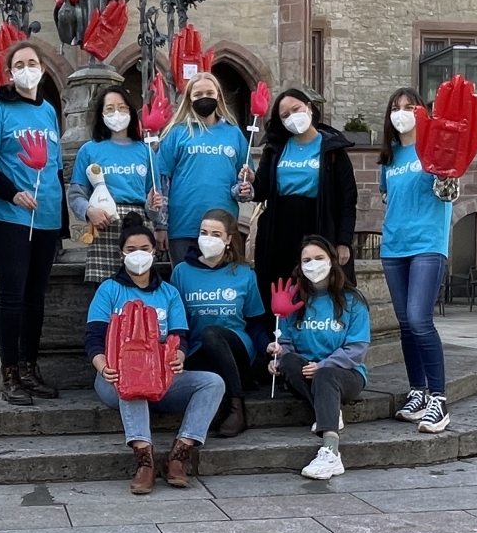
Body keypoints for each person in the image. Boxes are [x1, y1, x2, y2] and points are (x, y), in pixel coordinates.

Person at [85, 212, 225, 495]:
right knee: (132, 383)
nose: (139, 255)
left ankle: (179, 455)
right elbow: (93, 338)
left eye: (145, 249)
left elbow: (180, 337)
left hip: (161, 375)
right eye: (131, 250)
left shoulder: (169, 293)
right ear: (121, 254)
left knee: (213, 382)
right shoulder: (109, 290)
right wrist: (102, 366)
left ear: (155, 251)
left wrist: (180, 357)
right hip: (115, 376)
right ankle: (144, 461)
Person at [0, 41, 65, 406]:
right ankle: (10, 372)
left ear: (42, 69)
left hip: (45, 217)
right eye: (19, 64)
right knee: (12, 295)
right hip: (10, 216)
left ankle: (30, 367)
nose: (27, 69)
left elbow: (56, 169)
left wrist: (62, 226)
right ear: (10, 73)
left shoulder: (48, 111)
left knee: (36, 297)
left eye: (33, 62)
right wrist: (12, 193)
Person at [378, 86, 453, 434]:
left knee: (419, 319)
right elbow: (388, 198)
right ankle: (418, 392)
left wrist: (446, 173)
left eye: (410, 106)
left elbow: (448, 192)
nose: (402, 112)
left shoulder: (435, 149)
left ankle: (439, 399)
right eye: (396, 107)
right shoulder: (390, 156)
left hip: (427, 243)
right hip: (394, 246)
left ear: (423, 112)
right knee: (405, 325)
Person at [268, 236, 370, 480]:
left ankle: (331, 451)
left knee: (326, 375)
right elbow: (287, 342)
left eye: (319, 258)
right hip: (306, 370)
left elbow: (357, 349)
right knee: (289, 362)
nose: (313, 264)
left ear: (332, 261)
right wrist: (278, 354)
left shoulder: (352, 300)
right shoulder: (296, 301)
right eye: (307, 260)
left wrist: (324, 365)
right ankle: (329, 409)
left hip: (346, 373)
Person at [171, 208, 268, 438]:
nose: (208, 238)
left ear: (228, 239)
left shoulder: (244, 274)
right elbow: (176, 321)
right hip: (196, 350)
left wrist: (267, 347)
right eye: (204, 232)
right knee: (205, 338)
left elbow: (255, 322)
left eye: (216, 234)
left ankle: (237, 407)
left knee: (211, 333)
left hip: (238, 346)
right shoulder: (181, 273)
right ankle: (232, 385)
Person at [251, 87, 357, 296]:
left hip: (318, 224)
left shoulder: (332, 149)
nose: (292, 117)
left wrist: (344, 241)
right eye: (285, 115)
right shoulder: (275, 148)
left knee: (317, 286)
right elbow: (260, 190)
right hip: (279, 229)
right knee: (280, 288)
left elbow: (347, 199)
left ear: (309, 108)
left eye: (296, 109)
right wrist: (251, 182)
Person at [67, 85, 163, 284]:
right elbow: (76, 194)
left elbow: (155, 202)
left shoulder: (146, 152)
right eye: (110, 109)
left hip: (139, 226)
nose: (116, 113)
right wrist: (89, 212)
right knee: (105, 290)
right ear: (101, 114)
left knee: (139, 286)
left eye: (122, 107)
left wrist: (155, 210)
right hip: (104, 225)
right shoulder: (89, 150)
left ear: (130, 111)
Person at [155, 72, 252, 266]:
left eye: (209, 92)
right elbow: (162, 182)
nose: (204, 98)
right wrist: (160, 225)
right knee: (185, 285)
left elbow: (243, 182)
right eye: (198, 94)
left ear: (218, 96)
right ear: (189, 99)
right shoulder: (176, 133)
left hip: (223, 227)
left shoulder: (234, 134)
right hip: (183, 225)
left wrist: (245, 189)